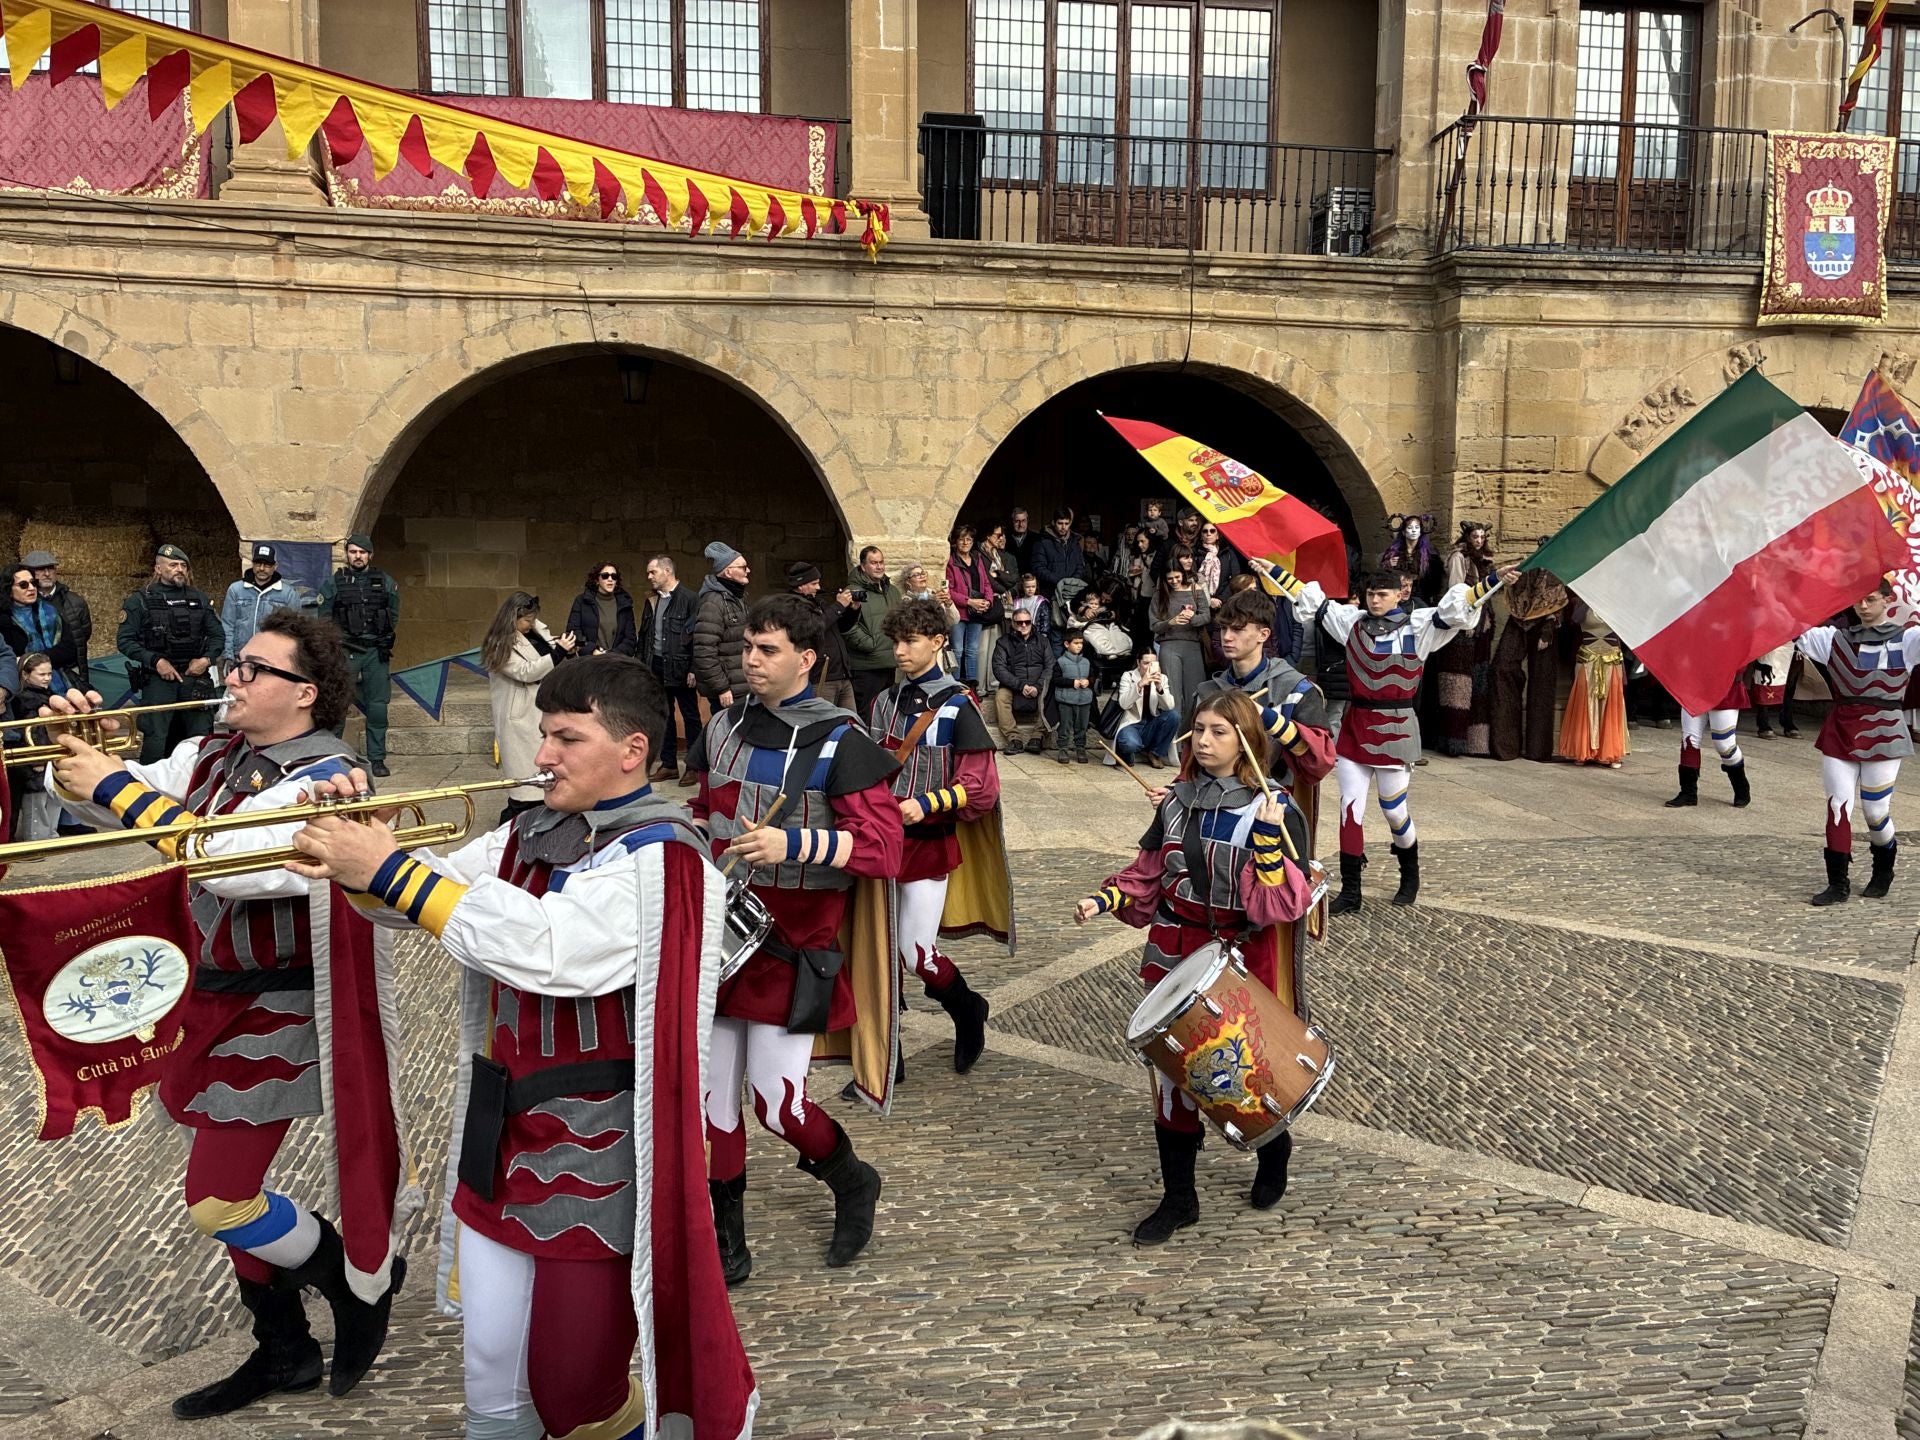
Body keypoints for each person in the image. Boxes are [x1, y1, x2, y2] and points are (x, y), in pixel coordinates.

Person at [287, 654, 757, 1440]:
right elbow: (430, 899)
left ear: (632, 750)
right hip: (501, 1139)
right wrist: (365, 859)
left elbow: (550, 947)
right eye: (545, 734)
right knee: (491, 1385)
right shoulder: (533, 830)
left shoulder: (668, 860)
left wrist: (392, 871)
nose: (542, 755)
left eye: (567, 738)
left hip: (600, 1160)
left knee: (577, 1397)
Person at [44, 612, 405, 1419]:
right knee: (238, 1191)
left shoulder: (329, 777)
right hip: (205, 995)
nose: (231, 677)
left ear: (304, 693)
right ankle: (283, 1349)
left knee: (220, 1198)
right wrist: (74, 759)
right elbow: (113, 812)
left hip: (275, 1008)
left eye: (253, 668)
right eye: (237, 664)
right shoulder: (210, 752)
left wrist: (112, 779)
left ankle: (356, 1279)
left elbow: (226, 862)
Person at [685, 594, 903, 1287]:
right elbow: (701, 810)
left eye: (767, 649)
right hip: (717, 941)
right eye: (747, 646)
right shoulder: (721, 727)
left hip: (793, 945)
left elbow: (884, 848)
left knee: (779, 1104)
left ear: (806, 659)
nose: (751, 659)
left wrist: (793, 842)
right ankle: (728, 1240)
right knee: (713, 1104)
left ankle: (853, 1180)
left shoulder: (843, 741)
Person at [1073, 689, 1315, 1245]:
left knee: (1242, 1074)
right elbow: (1149, 872)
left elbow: (1279, 905)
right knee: (1171, 1077)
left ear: (1246, 742)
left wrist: (1270, 841)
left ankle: (1273, 1148)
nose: (1203, 742)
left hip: (1238, 957)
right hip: (1175, 950)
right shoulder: (1175, 802)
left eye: (1218, 733)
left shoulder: (1274, 807)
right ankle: (1179, 1198)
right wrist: (1104, 899)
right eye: (1199, 730)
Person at [1275, 561, 1515, 911]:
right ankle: (1352, 891)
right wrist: (1274, 572)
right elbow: (1313, 600)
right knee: (1349, 809)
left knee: (1394, 811)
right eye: (1371, 594)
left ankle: (1410, 873)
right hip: (1356, 728)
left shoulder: (1419, 626)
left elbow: (1461, 607)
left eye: (1382, 594)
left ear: (1399, 595)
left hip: (1397, 729)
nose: (1375, 601)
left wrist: (1493, 580)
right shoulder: (1352, 623)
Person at [869, 597, 1009, 1072]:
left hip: (927, 845)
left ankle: (969, 1011)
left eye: (910, 641)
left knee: (915, 952)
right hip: (878, 843)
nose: (901, 651)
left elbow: (981, 789)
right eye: (896, 642)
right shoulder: (884, 701)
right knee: (874, 949)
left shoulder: (956, 706)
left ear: (938, 642)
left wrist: (925, 804)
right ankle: (888, 1058)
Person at [1796, 578, 1920, 905]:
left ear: (1886, 600)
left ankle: (1884, 867)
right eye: (1858, 600)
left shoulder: (1907, 638)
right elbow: (1788, 623)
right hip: (1840, 730)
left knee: (1876, 813)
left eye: (1871, 599)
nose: (1863, 606)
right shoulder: (1833, 639)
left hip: (1885, 733)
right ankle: (1838, 884)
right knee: (1838, 806)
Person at [1191, 588, 1337, 794]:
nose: (1227, 637)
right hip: (1213, 801)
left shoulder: (1296, 689)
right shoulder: (1208, 692)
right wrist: (1176, 790)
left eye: (1238, 629)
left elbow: (1320, 762)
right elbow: (1191, 764)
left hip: (1274, 804)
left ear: (1263, 634)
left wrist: (1268, 718)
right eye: (1224, 629)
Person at [117, 543, 225, 764]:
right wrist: (156, 661)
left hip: (194, 678)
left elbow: (218, 637)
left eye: (183, 565)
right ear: (158, 569)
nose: (179, 569)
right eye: (173, 564)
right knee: (156, 739)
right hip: (159, 681)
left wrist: (206, 660)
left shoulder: (199, 599)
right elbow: (125, 641)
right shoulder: (139, 600)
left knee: (200, 738)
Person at [482, 591, 578, 824]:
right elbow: (525, 672)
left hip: (541, 710)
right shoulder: (499, 643)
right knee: (525, 785)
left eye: (532, 619)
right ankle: (511, 826)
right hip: (520, 717)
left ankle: (539, 819)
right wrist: (559, 652)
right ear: (513, 618)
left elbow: (546, 659)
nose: (530, 624)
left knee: (542, 777)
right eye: (526, 620)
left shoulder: (536, 633)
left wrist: (565, 649)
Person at [318, 535, 398, 779]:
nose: (358, 556)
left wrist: (383, 637)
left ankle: (377, 759)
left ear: (370, 555)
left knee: (377, 708)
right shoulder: (334, 583)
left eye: (362, 552)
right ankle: (333, 758)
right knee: (338, 705)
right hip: (346, 651)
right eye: (353, 552)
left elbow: (393, 613)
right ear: (347, 555)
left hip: (375, 651)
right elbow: (324, 618)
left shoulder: (385, 582)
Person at [1488, 562, 1567, 763]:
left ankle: (1538, 749)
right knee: (1502, 668)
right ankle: (1505, 746)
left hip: (1547, 620)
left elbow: (1558, 597)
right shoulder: (1527, 565)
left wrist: (1549, 627)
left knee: (1542, 682)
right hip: (1519, 614)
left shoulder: (1560, 568)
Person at [1432, 522, 1498, 757]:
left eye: (1482, 537)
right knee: (1457, 682)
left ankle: (1476, 743)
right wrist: (1465, 617)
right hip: (1463, 621)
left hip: (1483, 622)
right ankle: (1453, 740)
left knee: (1479, 681)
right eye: (1475, 536)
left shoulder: (1486, 559)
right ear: (1468, 537)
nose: (1479, 540)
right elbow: (1456, 590)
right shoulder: (1459, 557)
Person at [638, 554, 699, 784]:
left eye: (652, 572)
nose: (649, 577)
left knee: (690, 716)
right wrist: (642, 666)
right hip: (655, 665)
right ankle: (669, 765)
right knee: (663, 716)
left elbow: (697, 636)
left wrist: (694, 667)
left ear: (667, 571)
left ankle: (693, 766)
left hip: (682, 668)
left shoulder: (690, 599)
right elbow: (644, 635)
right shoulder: (651, 600)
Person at [1556, 602, 1628, 768]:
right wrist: (1589, 600)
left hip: (1611, 658)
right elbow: (1575, 619)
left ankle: (1609, 752)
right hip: (1587, 659)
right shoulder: (1582, 604)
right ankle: (1583, 750)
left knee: (1610, 703)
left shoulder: (1620, 603)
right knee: (1584, 703)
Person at [1664, 680, 1753, 809]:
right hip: (1695, 687)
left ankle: (1741, 787)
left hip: (1726, 688)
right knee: (1689, 741)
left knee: (1725, 745)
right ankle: (1688, 793)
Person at [788, 560, 861, 712]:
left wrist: (852, 610)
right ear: (801, 585)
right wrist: (839, 605)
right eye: (814, 583)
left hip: (841, 673)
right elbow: (814, 627)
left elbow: (840, 627)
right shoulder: (793, 605)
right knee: (823, 723)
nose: (818, 587)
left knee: (851, 723)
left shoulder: (818, 603)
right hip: (821, 676)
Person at [692, 541, 751, 715]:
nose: (748, 571)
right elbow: (704, 651)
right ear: (728, 571)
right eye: (743, 567)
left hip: (742, 687)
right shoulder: (713, 602)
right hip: (729, 692)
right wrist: (722, 688)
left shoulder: (737, 597)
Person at [1151, 547, 1210, 719]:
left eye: (1177, 577)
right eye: (1170, 579)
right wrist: (1171, 622)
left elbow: (1206, 616)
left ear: (1183, 574)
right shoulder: (1159, 595)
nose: (1174, 581)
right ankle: (1173, 741)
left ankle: (1190, 737)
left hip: (1192, 644)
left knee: (1194, 692)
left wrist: (1193, 618)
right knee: (1172, 695)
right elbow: (1154, 625)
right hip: (1169, 645)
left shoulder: (1195, 589)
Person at [222, 544, 305, 666]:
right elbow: (227, 625)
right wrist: (228, 656)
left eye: (267, 565)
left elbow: (294, 631)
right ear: (252, 564)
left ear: (275, 566)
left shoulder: (288, 594)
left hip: (272, 659)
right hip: (240, 656)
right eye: (258, 563)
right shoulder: (236, 590)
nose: (261, 568)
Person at [843, 545, 901, 718]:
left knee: (885, 714)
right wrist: (869, 645)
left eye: (881, 562)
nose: (879, 567)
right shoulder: (853, 592)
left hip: (889, 663)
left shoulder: (892, 591)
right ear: (863, 566)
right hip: (866, 666)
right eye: (874, 563)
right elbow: (846, 626)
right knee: (866, 715)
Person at [23, 549, 90, 691]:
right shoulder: (22, 604)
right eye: (40, 569)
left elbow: (83, 635)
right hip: (31, 675)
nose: (47, 574)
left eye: (51, 568)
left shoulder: (75, 602)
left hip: (69, 671)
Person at [8, 652, 58, 840]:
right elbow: (31, 731)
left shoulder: (47, 695)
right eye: (41, 674)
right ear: (26, 675)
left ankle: (49, 835)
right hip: (32, 758)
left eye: (49, 674)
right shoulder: (24, 700)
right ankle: (36, 839)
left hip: (48, 754)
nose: (47, 678)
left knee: (52, 798)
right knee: (35, 801)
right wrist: (36, 757)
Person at [990, 607, 1052, 755]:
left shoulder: (1043, 641)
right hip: (1014, 684)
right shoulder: (1003, 642)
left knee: (1053, 694)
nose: (1023, 625)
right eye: (1019, 622)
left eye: (1027, 622)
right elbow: (999, 668)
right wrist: (1020, 685)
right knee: (1001, 697)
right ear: (1013, 623)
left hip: (1038, 683)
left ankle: (1037, 737)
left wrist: (1038, 685)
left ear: (1032, 622)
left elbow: (1050, 666)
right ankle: (1014, 739)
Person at [2, 566, 69, 698]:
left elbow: (70, 649)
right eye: (23, 585)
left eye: (33, 582)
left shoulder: (50, 611)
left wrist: (36, 661)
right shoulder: (4, 620)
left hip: (61, 677)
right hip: (23, 689)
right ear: (9, 590)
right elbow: (8, 660)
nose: (31, 588)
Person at [945, 523, 996, 690]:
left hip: (977, 611)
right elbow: (949, 591)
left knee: (972, 650)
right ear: (955, 542)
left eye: (969, 539)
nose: (966, 543)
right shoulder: (951, 562)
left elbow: (986, 583)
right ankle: (956, 687)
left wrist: (987, 601)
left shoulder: (977, 559)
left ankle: (971, 687)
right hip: (959, 612)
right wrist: (969, 601)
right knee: (958, 650)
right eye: (962, 539)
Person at [1115, 651, 1177, 767]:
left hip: (1151, 723)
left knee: (1173, 716)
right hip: (1131, 723)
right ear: (1138, 663)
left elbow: (1169, 706)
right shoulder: (1128, 676)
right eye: (1146, 663)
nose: (1149, 667)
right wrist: (1140, 684)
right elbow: (1124, 704)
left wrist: (1159, 687)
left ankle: (1155, 753)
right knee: (1130, 744)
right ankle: (1129, 752)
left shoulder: (1162, 678)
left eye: (1153, 663)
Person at [565, 561, 639, 658]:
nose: (610, 579)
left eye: (614, 576)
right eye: (605, 576)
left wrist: (611, 655)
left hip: (616, 662)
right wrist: (593, 651)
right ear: (597, 580)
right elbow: (574, 631)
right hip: (589, 660)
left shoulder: (625, 604)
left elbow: (630, 639)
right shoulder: (582, 601)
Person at [978, 522, 1018, 698]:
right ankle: (980, 685)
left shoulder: (998, 555)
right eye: (997, 535)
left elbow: (1013, 578)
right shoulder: (979, 554)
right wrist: (1004, 587)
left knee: (995, 644)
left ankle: (993, 683)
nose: (1000, 538)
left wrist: (1000, 576)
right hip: (988, 603)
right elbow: (986, 580)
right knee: (982, 647)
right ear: (988, 536)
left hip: (1001, 604)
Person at [1053, 629, 1095, 764]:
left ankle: (1080, 748)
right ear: (1067, 644)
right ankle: (1063, 748)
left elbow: (1093, 677)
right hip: (1066, 699)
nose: (1079, 646)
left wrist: (1088, 681)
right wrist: (1072, 682)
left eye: (1081, 643)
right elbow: (1056, 679)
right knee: (1065, 726)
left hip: (1084, 700)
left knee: (1082, 726)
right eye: (1075, 643)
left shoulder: (1086, 662)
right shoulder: (1060, 662)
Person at [1381, 514, 1444, 604]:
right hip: (1398, 597)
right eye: (1410, 527)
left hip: (1422, 597)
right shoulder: (1393, 552)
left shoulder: (1430, 554)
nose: (1414, 530)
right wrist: (1388, 564)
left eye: (1417, 527)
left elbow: (1436, 580)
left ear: (1420, 531)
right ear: (1404, 532)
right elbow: (1383, 575)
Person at [1031, 507, 1087, 602]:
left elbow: (1080, 566)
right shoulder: (1042, 541)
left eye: (1066, 523)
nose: (1063, 527)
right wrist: (1060, 581)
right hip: (1050, 594)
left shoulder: (1074, 542)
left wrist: (1071, 582)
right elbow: (1038, 567)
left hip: (1072, 593)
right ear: (1053, 522)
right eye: (1060, 523)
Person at [1006, 506, 1038, 575]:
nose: (1020, 525)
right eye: (1017, 521)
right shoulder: (1004, 539)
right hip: (1010, 579)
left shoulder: (1036, 539)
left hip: (1030, 581)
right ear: (1012, 521)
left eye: (1023, 521)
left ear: (1027, 521)